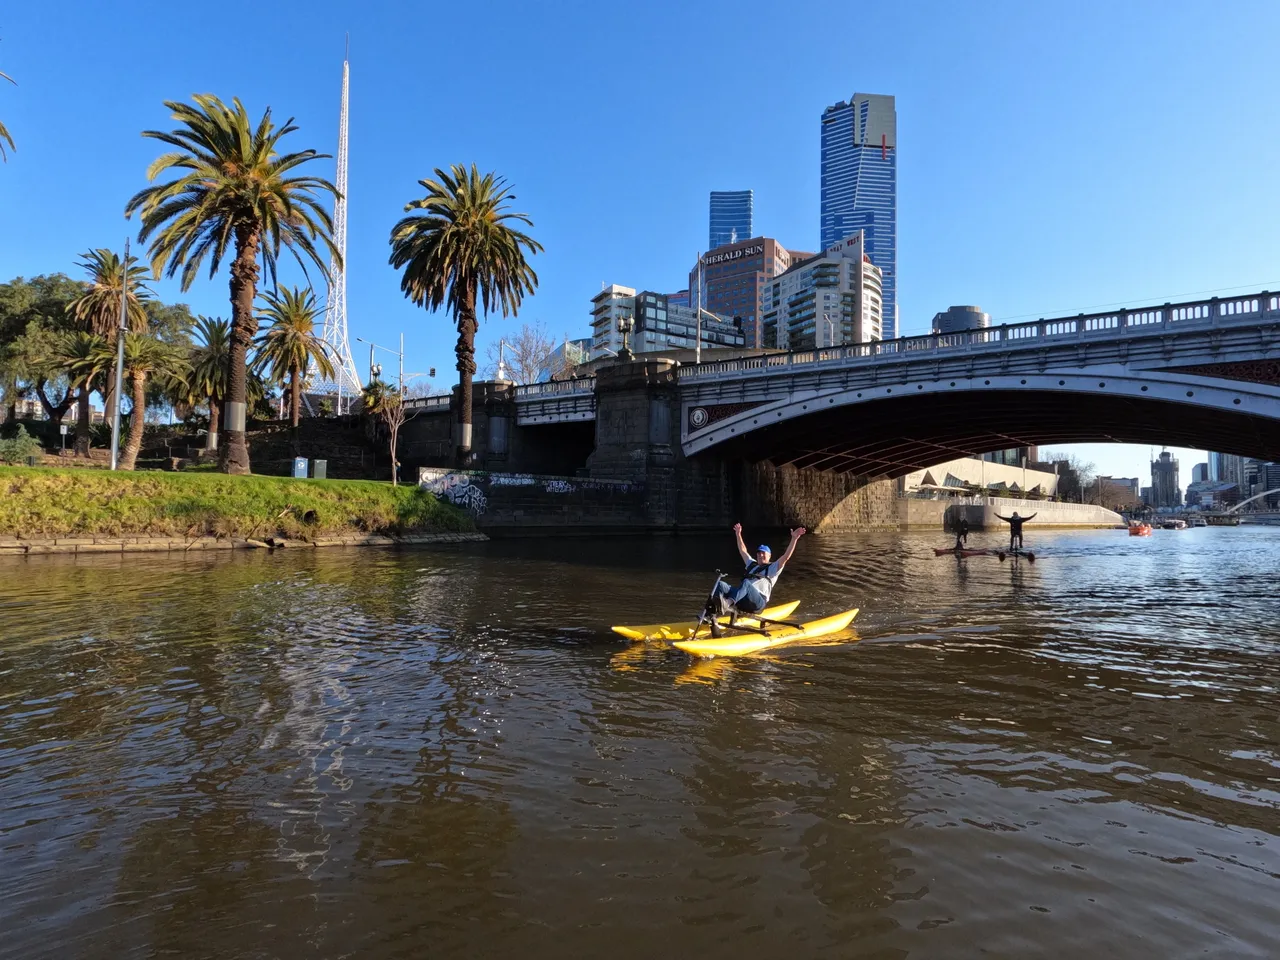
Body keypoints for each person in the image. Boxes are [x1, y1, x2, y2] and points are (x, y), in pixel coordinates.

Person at [704, 523, 806, 636]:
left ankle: (727, 603)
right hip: (743, 598)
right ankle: (711, 616)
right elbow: (743, 551)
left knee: (746, 583)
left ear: (769, 556)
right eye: (759, 554)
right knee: (721, 584)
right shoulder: (752, 565)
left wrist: (794, 539)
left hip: (758, 603)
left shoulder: (773, 568)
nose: (760, 556)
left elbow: (786, 556)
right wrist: (738, 534)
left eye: (763, 554)